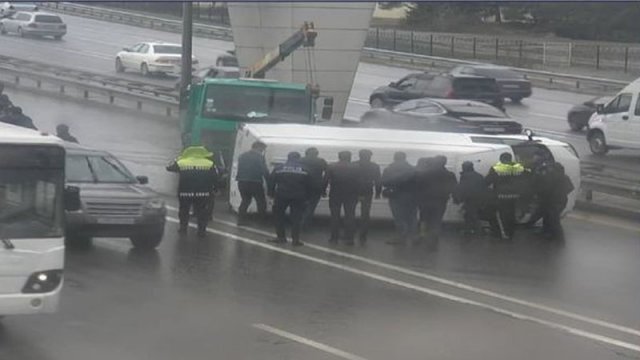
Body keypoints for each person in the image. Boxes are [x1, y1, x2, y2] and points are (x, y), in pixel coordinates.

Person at [166, 146, 218, 237]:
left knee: (184, 210)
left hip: (185, 192)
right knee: (202, 211)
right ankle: (201, 231)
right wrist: (215, 189)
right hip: (203, 193)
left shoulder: (181, 162)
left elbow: (169, 167)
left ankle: (183, 228)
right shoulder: (209, 163)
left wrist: (177, 159)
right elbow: (215, 177)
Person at [268, 151, 312, 246]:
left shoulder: (279, 168)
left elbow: (271, 181)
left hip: (281, 195)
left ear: (288, 158)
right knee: (296, 218)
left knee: (279, 216)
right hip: (299, 196)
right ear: (299, 159)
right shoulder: (305, 169)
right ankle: (295, 240)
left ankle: (281, 237)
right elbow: (310, 185)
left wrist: (271, 194)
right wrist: (307, 197)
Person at [415, 155, 457, 243]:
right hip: (441, 200)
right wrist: (454, 197)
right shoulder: (450, 174)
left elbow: (418, 186)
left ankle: (422, 235)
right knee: (437, 219)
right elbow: (454, 188)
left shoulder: (425, 173)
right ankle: (434, 236)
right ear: (445, 163)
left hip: (425, 199)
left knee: (424, 218)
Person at [485, 152, 525, 240]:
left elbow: (488, 181)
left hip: (501, 195)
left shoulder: (497, 168)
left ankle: (500, 233)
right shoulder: (518, 168)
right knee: (511, 213)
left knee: (500, 214)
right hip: (514, 195)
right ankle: (511, 232)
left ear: (501, 159)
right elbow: (524, 181)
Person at [323, 151, 360, 245]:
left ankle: (334, 238)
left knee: (335, 216)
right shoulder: (356, 167)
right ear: (350, 157)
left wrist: (323, 191)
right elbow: (360, 182)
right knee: (350, 216)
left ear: (339, 157)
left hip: (335, 193)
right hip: (351, 194)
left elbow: (325, 180)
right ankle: (349, 238)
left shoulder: (331, 166)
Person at [381, 151, 417, 245]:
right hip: (411, 196)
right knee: (411, 217)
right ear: (405, 158)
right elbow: (417, 183)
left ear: (395, 158)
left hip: (395, 196)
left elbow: (384, 182)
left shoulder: (389, 169)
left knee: (399, 217)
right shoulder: (412, 169)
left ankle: (401, 237)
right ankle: (412, 237)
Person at [235, 141, 269, 225]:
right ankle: (262, 221)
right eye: (262, 149)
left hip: (242, 181)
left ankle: (241, 220)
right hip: (255, 182)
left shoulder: (242, 156)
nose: (262, 151)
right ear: (258, 147)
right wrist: (269, 180)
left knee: (245, 200)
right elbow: (263, 170)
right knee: (261, 202)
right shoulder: (259, 157)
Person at [538, 162, 574, 239]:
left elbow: (546, 188)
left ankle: (557, 235)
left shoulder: (553, 177)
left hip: (556, 201)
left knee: (553, 218)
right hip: (559, 200)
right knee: (548, 216)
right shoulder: (564, 177)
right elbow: (570, 187)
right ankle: (548, 232)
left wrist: (557, 194)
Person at [354, 149, 382, 243]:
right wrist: (378, 193)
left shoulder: (353, 165)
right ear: (370, 156)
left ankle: (349, 232)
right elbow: (378, 181)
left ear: (359, 155)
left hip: (354, 191)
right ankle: (363, 235)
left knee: (350, 212)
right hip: (367, 191)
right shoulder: (374, 166)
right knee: (365, 214)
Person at [453, 161, 488, 236]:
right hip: (478, 198)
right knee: (469, 215)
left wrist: (459, 198)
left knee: (472, 215)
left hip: (470, 199)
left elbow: (463, 188)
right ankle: (469, 230)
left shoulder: (465, 176)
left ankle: (477, 231)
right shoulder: (479, 176)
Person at [300, 147, 328, 227]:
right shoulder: (321, 161)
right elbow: (327, 173)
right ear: (317, 154)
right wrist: (323, 189)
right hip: (316, 186)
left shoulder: (300, 160)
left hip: (302, 185)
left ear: (306, 153)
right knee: (311, 206)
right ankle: (305, 223)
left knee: (301, 205)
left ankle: (300, 222)